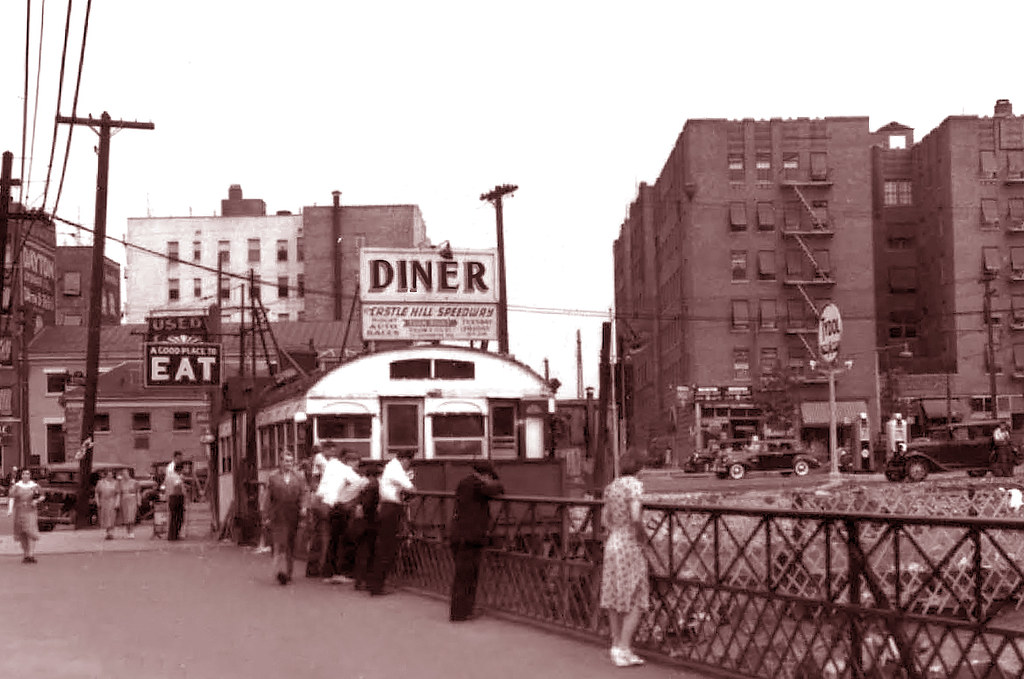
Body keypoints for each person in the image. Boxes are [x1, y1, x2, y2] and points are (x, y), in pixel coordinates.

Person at [599, 455, 650, 667]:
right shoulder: (635, 486)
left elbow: (604, 519)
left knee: (614, 595)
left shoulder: (612, 487)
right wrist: (642, 535)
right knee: (637, 597)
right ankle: (625, 648)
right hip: (629, 544)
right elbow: (636, 516)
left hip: (613, 543)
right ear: (639, 468)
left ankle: (616, 644)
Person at [449, 460, 504, 622]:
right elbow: (496, 490)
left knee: (463, 575)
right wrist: (498, 484)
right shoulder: (475, 485)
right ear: (485, 475)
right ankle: (461, 613)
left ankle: (462, 611)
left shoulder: (464, 483)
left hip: (459, 536)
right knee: (467, 576)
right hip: (469, 538)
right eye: (489, 477)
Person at [367, 449, 415, 596]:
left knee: (384, 546)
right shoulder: (396, 469)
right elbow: (411, 488)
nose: (409, 465)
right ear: (405, 459)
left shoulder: (390, 466)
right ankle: (378, 586)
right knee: (386, 547)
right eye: (409, 462)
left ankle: (376, 583)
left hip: (387, 508)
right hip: (391, 508)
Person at [316, 444, 366, 583]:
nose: (357, 464)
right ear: (348, 461)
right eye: (355, 461)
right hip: (339, 509)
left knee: (331, 541)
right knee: (339, 541)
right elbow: (361, 483)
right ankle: (337, 572)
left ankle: (327, 572)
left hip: (327, 505)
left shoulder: (332, 466)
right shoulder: (347, 472)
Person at [266, 449, 308, 585]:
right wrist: (266, 515)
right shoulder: (273, 477)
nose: (288, 463)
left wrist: (303, 507)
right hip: (278, 514)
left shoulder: (299, 476)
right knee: (278, 544)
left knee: (290, 544)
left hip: (293, 513)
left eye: (290, 461)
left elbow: (304, 492)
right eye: (285, 461)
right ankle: (277, 572)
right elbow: (268, 498)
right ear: (280, 462)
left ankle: (288, 573)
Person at [350, 460, 382, 591]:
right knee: (368, 552)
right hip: (369, 524)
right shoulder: (374, 486)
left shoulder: (365, 487)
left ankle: (359, 581)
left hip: (361, 524)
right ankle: (366, 581)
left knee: (362, 553)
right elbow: (368, 505)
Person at [7, 468, 43, 563]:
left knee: (31, 532)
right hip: (20, 512)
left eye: (27, 474)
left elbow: (42, 496)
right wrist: (10, 510)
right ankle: (26, 554)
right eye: (24, 474)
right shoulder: (16, 486)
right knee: (22, 533)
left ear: (30, 475)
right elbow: (11, 498)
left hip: (31, 512)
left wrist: (36, 501)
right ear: (21, 475)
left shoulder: (35, 486)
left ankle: (31, 554)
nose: (26, 475)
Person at [165, 451, 186, 541]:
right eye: (179, 458)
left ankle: (173, 535)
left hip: (173, 495)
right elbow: (177, 486)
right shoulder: (173, 471)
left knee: (175, 516)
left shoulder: (172, 474)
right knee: (177, 516)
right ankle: (174, 535)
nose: (180, 460)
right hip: (176, 496)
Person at [95, 469, 120, 541]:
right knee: (105, 517)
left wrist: (117, 502)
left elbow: (118, 493)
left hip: (112, 501)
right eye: (108, 474)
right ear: (106, 475)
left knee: (112, 516)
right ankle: (107, 532)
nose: (110, 476)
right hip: (103, 501)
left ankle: (110, 533)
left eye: (111, 474)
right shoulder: (100, 482)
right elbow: (97, 493)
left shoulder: (116, 483)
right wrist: (98, 502)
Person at [117, 469, 141, 538]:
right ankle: (128, 531)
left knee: (131, 516)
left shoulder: (135, 482)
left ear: (128, 474)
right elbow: (119, 493)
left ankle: (131, 531)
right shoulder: (121, 483)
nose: (124, 475)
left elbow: (138, 492)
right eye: (123, 474)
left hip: (132, 500)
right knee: (126, 516)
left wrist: (138, 501)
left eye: (125, 473)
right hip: (124, 500)